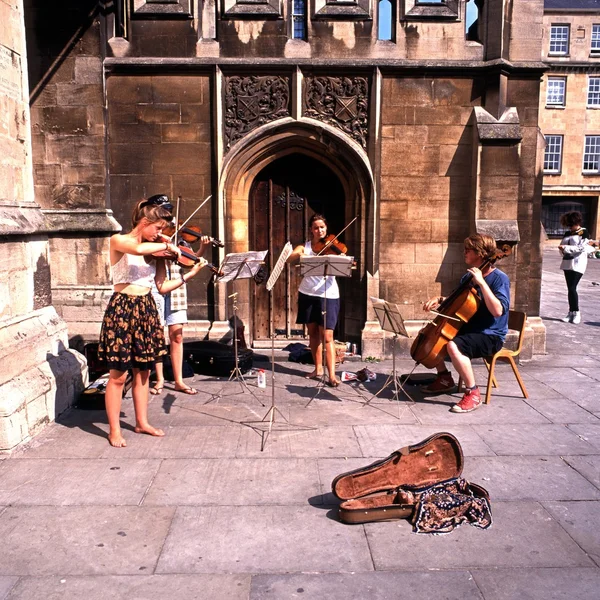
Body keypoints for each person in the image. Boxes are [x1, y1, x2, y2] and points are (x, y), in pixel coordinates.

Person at [98, 195, 208, 447]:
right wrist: (168, 246)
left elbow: (162, 286)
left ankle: (141, 422)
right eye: (158, 228)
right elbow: (136, 249)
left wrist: (188, 274)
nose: (161, 233)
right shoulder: (119, 241)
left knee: (144, 371)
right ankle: (114, 429)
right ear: (145, 221)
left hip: (146, 308)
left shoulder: (156, 252)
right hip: (122, 309)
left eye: (162, 230)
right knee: (117, 374)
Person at [420, 234, 510, 413]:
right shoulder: (467, 278)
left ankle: (473, 392)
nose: (464, 253)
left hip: (490, 335)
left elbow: (498, 310)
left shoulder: (499, 279)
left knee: (453, 346)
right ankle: (445, 378)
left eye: (468, 250)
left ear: (480, 253)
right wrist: (439, 300)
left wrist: (482, 283)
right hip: (470, 330)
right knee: (430, 336)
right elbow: (460, 303)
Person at [287, 214, 343, 387]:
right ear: (311, 230)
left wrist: (342, 259)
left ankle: (332, 375)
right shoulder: (305, 247)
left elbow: (346, 264)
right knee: (313, 334)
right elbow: (290, 258)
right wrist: (298, 255)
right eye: (316, 227)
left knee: (327, 336)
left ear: (326, 229)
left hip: (328, 295)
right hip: (307, 293)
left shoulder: (334, 247)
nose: (319, 230)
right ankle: (318, 369)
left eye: (322, 227)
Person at [151, 234, 211, 396]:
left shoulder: (182, 242)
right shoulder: (152, 241)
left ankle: (178, 381)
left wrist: (202, 248)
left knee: (177, 336)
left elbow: (189, 260)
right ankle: (160, 378)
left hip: (177, 291)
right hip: (156, 290)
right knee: (157, 337)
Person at [558, 211, 598, 324]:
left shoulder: (583, 232)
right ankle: (571, 312)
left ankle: (576, 312)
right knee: (570, 289)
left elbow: (581, 248)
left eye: (572, 225)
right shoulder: (567, 233)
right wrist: (562, 249)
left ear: (577, 222)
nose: (571, 227)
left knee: (572, 288)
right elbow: (561, 247)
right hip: (567, 263)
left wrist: (565, 248)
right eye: (569, 225)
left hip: (578, 263)